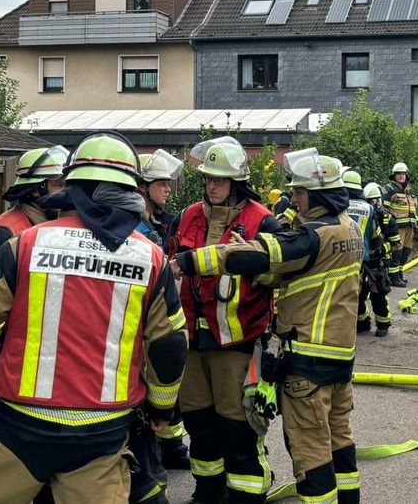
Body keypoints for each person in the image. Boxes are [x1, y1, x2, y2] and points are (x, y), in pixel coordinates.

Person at [0, 132, 188, 504]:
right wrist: (162, 409)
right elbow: (170, 344)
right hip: (102, 431)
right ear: (131, 192)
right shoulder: (150, 257)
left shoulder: (27, 242)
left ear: (71, 186)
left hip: (20, 426)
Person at [171, 148, 363, 504]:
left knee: (308, 451)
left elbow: (259, 257)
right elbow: (285, 271)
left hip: (304, 357)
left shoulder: (312, 235)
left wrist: (188, 260)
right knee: (338, 440)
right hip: (336, 356)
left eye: (300, 193)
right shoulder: (348, 228)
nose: (295, 199)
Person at [172, 136, 281, 504]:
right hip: (192, 343)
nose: (212, 186)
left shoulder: (263, 221)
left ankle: (248, 492)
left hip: (237, 343)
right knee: (199, 426)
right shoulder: (187, 217)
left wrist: (242, 259)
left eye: (219, 180)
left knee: (237, 427)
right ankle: (207, 489)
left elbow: (276, 278)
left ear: (237, 182)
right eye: (207, 179)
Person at [0, 145, 69, 400]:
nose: (67, 194)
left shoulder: (49, 229)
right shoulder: (5, 231)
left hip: (33, 356)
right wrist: (14, 333)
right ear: (35, 190)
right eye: (59, 186)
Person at [136, 150, 191, 472]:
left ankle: (169, 447)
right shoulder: (135, 226)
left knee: (166, 386)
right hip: (142, 324)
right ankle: (151, 455)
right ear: (142, 187)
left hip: (154, 318)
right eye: (161, 183)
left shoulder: (152, 222)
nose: (168, 188)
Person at [344, 171, 390, 337]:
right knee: (377, 292)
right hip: (365, 259)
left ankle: (362, 323)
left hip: (343, 258)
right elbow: (375, 237)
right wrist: (375, 256)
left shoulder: (337, 206)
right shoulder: (368, 209)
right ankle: (382, 326)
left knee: (352, 295)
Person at [383, 162, 418, 288]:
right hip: (397, 229)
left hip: (410, 228)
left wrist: (417, 225)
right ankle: (393, 277)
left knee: (405, 253)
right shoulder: (389, 190)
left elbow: (413, 211)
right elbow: (384, 210)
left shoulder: (409, 192)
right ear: (394, 175)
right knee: (396, 253)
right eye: (398, 174)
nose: (401, 176)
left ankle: (399, 274)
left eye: (403, 173)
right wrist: (388, 228)